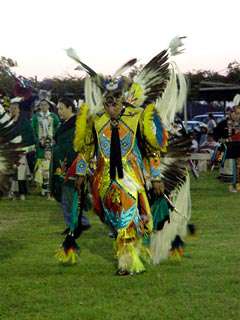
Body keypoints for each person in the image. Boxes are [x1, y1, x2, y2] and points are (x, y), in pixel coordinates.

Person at [66, 36, 187, 275]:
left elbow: (151, 149)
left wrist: (156, 177)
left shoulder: (137, 117)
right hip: (103, 178)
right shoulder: (96, 120)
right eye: (107, 102)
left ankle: (127, 263)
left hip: (130, 177)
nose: (111, 107)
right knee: (113, 218)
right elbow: (86, 149)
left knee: (125, 216)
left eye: (115, 102)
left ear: (122, 99)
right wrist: (80, 173)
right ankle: (133, 250)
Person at [52, 97, 90, 263]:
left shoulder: (76, 126)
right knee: (67, 198)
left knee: (70, 197)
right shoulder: (65, 125)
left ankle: (77, 223)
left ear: (70, 108)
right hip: (63, 167)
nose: (59, 111)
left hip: (72, 167)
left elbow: (78, 148)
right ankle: (78, 222)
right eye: (58, 109)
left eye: (61, 108)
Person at [8, 100, 36, 200]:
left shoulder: (24, 122)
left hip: (21, 151)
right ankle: (12, 192)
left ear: (19, 110)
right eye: (11, 108)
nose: (13, 110)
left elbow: (29, 136)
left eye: (15, 108)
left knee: (21, 171)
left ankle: (22, 192)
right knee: (11, 172)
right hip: (9, 151)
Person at [32, 99, 59, 195]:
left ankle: (49, 187)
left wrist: (54, 138)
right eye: (41, 105)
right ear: (39, 106)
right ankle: (42, 188)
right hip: (40, 145)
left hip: (51, 144)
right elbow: (33, 130)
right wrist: (37, 141)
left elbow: (58, 127)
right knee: (41, 165)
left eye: (45, 105)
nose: (43, 107)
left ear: (49, 106)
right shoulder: (36, 117)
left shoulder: (53, 116)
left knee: (50, 164)